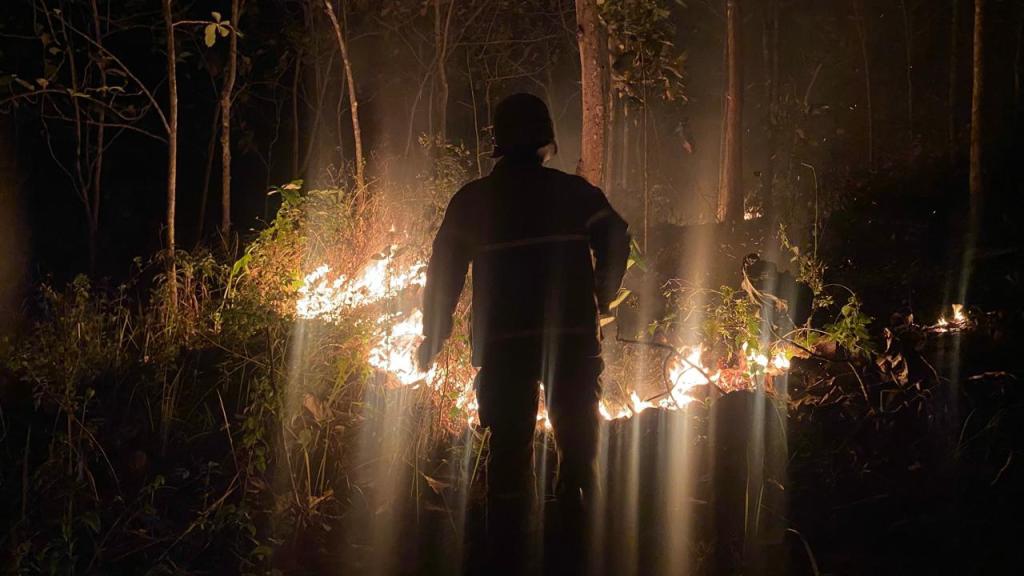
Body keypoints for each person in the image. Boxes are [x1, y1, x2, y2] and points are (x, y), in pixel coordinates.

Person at [416, 93, 630, 574]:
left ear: (499, 144)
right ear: (545, 143)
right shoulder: (575, 194)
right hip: (572, 343)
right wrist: (603, 294)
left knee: (508, 454)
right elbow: (616, 235)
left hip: (503, 350)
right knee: (578, 447)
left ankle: (506, 552)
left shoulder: (472, 201)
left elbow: (443, 273)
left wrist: (433, 335)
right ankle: (582, 543)